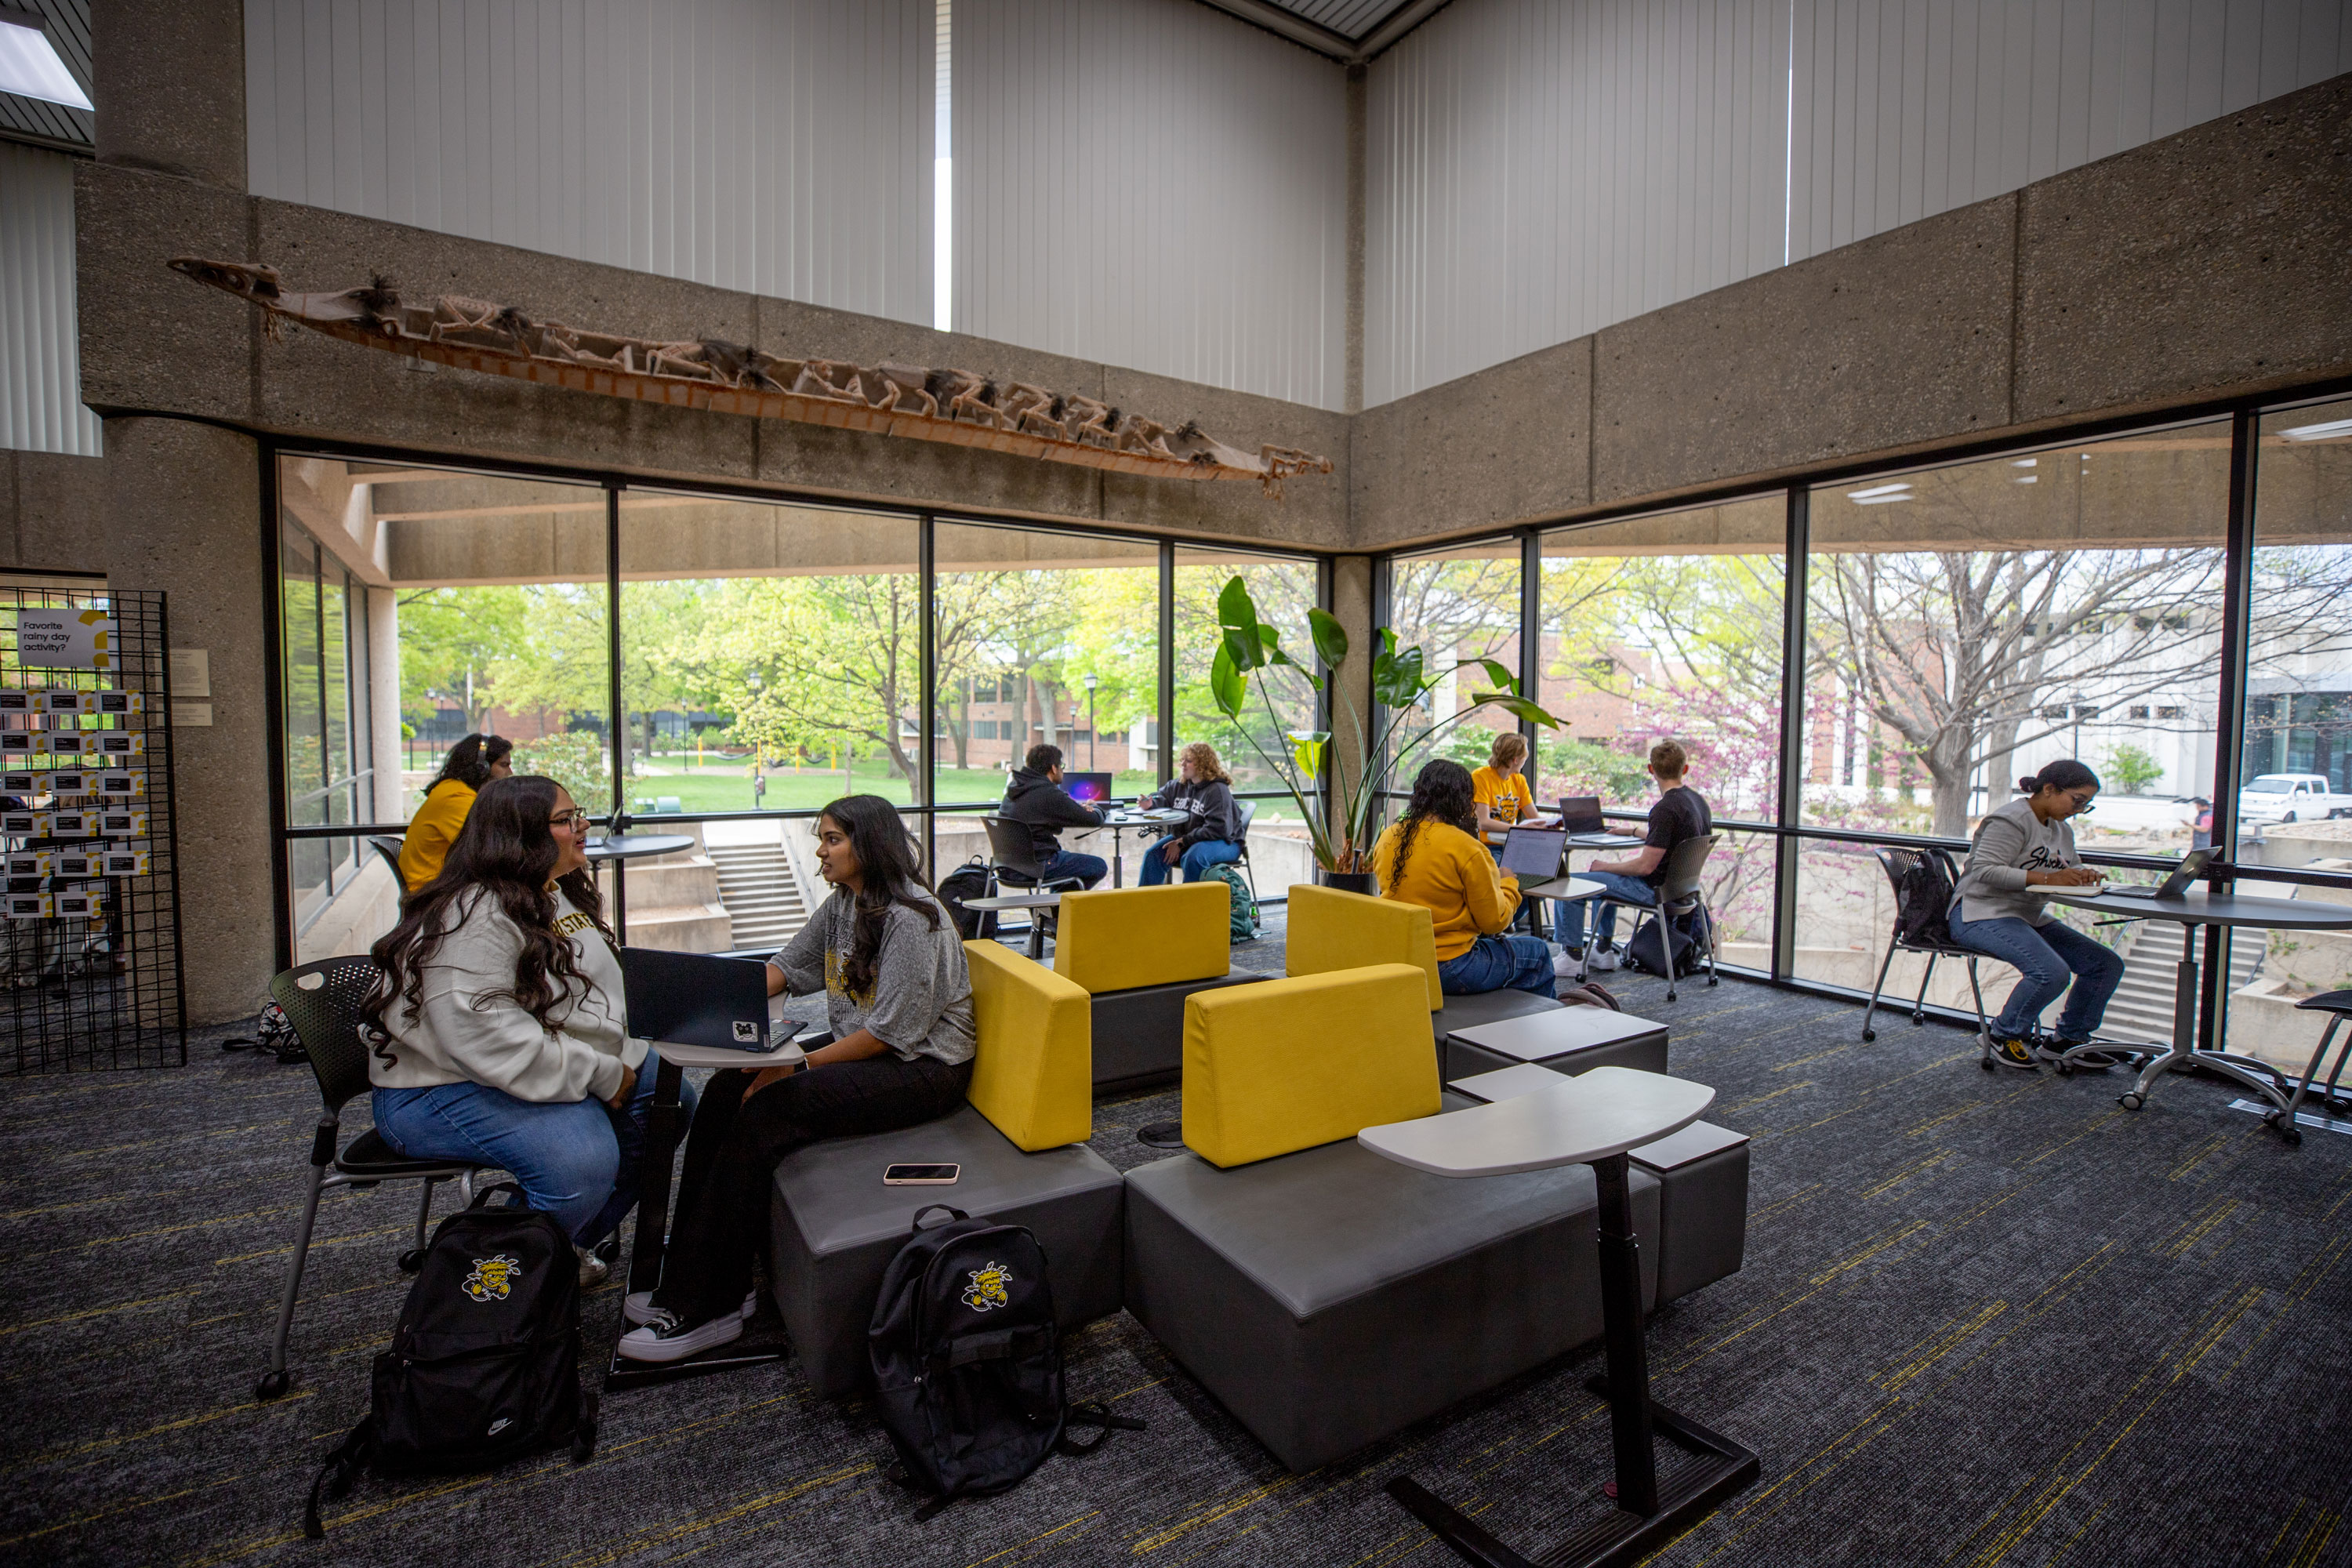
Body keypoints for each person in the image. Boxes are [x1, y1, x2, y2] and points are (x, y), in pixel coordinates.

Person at [619, 794, 977, 1363]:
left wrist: (798, 1065)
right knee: (724, 1089)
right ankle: (693, 1273)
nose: (820, 850)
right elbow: (784, 968)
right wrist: (693, 1004)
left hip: (923, 1067)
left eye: (832, 839)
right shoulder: (843, 905)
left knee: (767, 1109)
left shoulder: (913, 919)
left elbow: (890, 1035)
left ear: (869, 843)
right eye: (822, 838)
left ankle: (708, 1307)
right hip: (870, 1051)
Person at [363, 774, 681, 1287]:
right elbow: (483, 1036)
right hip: (432, 1089)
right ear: (520, 835)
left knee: (669, 1095)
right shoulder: (474, 913)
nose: (582, 825)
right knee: (581, 1161)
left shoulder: (549, 893)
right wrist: (601, 1071)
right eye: (564, 819)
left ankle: (553, 1252)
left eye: (579, 814)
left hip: (497, 1062)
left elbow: (581, 996)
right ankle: (483, 1290)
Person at [1947, 760, 2125, 1070]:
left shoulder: (2061, 830)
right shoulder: (2011, 821)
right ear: (2049, 789)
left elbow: (2068, 867)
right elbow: (1985, 871)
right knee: (2051, 972)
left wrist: (2083, 875)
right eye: (2078, 800)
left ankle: (2067, 1041)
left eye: (2087, 805)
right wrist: (2048, 880)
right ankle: (2003, 1035)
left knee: (2105, 964)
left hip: (2026, 915)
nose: (2079, 810)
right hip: (1979, 913)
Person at [1372, 759, 1555, 999]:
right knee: (1538, 952)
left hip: (1403, 959)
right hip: (1451, 967)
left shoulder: (1390, 836)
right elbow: (1494, 922)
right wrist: (1509, 882)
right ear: (1463, 800)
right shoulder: (1467, 848)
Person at [1554, 740, 1711, 972]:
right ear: (1685, 769)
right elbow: (1674, 839)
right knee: (1603, 882)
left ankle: (1572, 957)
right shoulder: (1698, 802)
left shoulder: (1665, 809)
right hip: (1683, 891)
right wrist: (1635, 831)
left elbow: (1645, 867)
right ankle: (1602, 951)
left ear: (1651, 769)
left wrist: (1605, 866)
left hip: (1655, 891)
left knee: (1568, 884)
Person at [397, 733, 514, 891]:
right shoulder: (455, 798)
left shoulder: (452, 789)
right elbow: (487, 849)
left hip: (443, 885)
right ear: (481, 768)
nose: (510, 773)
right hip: (430, 893)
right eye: (504, 765)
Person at [1000, 743, 1108, 888]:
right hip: (1036, 866)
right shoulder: (1048, 793)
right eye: (1061, 766)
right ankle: (1058, 908)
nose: (1062, 770)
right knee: (1098, 866)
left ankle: (1054, 908)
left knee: (1064, 861)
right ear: (1053, 768)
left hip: (1007, 866)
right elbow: (1094, 820)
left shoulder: (1015, 789)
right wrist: (1095, 807)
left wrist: (1074, 809)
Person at [1137, 742, 1244, 886]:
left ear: (1203, 764)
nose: (1183, 764)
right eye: (1182, 760)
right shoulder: (1180, 784)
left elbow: (1218, 829)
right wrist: (1150, 803)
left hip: (1225, 842)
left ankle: (1190, 907)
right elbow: (1161, 797)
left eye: (1189, 761)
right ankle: (1147, 905)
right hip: (1191, 839)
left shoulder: (1217, 790)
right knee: (1153, 855)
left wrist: (1181, 842)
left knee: (1193, 858)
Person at [1471, 732, 1548, 841]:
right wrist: (1521, 829)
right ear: (1516, 760)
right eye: (1525, 758)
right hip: (1487, 846)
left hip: (1510, 843)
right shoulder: (1480, 777)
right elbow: (1484, 823)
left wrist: (1553, 825)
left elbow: (1535, 818)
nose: (1525, 762)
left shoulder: (1519, 780)